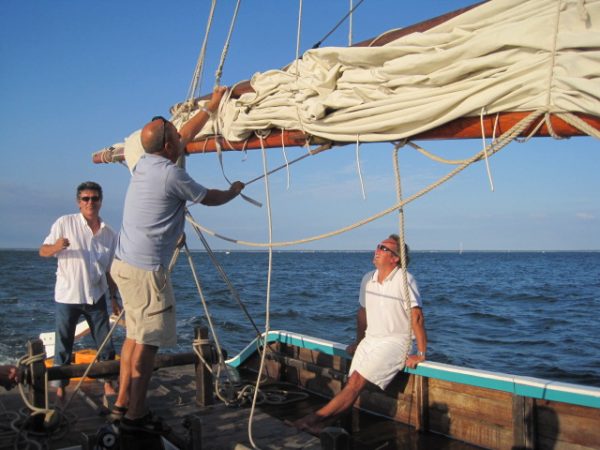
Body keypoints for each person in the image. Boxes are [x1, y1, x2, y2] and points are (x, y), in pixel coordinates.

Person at [110, 86, 245, 434]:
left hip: (123, 265)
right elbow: (208, 198)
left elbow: (182, 135)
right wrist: (233, 191)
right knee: (148, 343)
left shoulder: (144, 162)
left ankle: (122, 403)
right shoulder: (172, 174)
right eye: (173, 133)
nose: (178, 132)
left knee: (134, 338)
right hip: (145, 273)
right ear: (168, 146)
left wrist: (212, 110)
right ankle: (135, 415)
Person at [294, 234, 428, 434]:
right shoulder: (368, 279)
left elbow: (416, 317)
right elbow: (362, 314)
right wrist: (359, 342)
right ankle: (321, 426)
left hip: (395, 342)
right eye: (378, 246)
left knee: (355, 382)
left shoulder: (405, 279)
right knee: (352, 385)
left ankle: (310, 421)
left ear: (395, 258)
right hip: (370, 339)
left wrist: (421, 353)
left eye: (383, 248)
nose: (377, 250)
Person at [39, 181, 120, 403]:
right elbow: (43, 251)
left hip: (97, 295)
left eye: (94, 198)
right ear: (78, 202)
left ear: (101, 201)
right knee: (63, 345)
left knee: (105, 343)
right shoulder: (64, 223)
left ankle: (109, 384)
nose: (90, 202)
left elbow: (111, 269)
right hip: (68, 296)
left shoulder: (109, 233)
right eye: (85, 198)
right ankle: (60, 388)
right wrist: (56, 247)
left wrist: (114, 298)